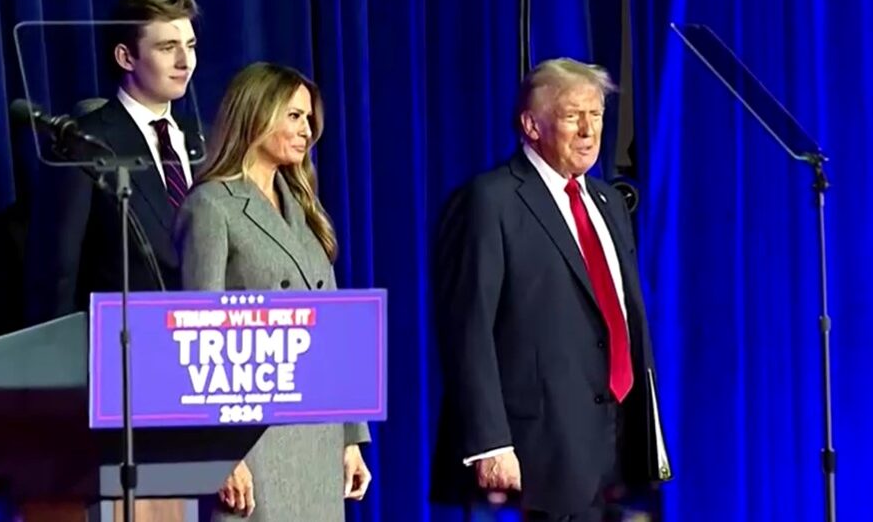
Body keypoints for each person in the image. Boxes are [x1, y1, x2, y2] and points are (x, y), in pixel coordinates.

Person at [430, 58, 671, 520]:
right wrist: (490, 442)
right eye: (571, 116)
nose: (588, 130)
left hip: (617, 453)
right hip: (534, 458)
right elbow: (467, 329)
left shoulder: (608, 202)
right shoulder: (491, 200)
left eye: (596, 115)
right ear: (531, 124)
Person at [174, 62, 373, 520]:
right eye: (295, 116)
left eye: (309, 119)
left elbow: (334, 331)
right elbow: (199, 339)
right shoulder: (212, 206)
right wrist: (219, 453)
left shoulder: (303, 209)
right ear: (257, 114)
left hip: (318, 437)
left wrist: (350, 438)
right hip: (253, 439)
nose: (308, 131)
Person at [23, 0, 204, 326]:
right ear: (126, 57)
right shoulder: (81, 144)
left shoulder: (205, 138)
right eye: (168, 48)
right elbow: (57, 277)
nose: (185, 62)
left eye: (190, 46)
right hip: (126, 348)